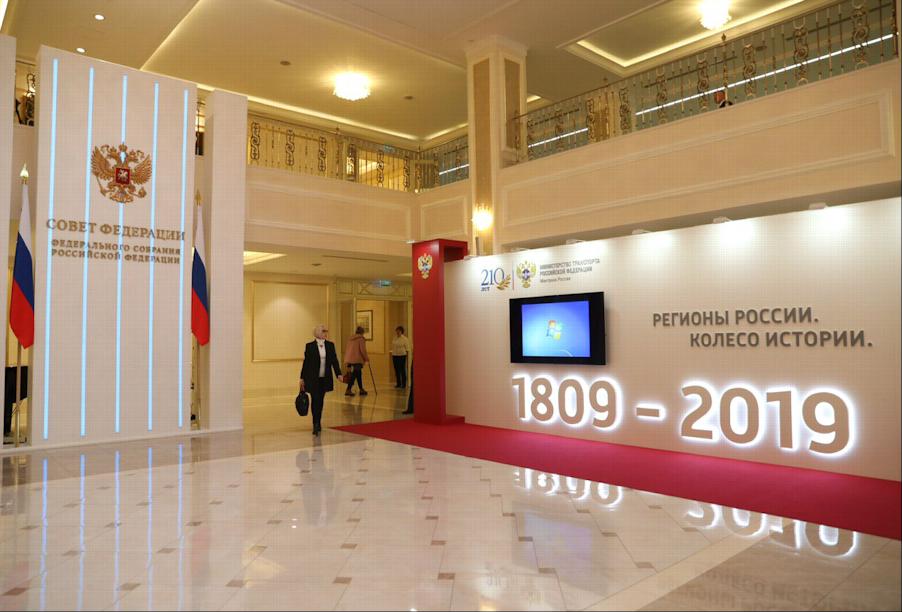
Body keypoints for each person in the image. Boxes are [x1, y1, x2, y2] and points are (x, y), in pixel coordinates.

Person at [300, 324, 343, 436]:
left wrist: (338, 373)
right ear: (318, 333)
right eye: (323, 331)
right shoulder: (309, 346)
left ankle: (318, 421)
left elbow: (334, 360)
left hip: (325, 378)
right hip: (313, 378)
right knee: (315, 400)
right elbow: (306, 363)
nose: (325, 333)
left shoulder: (330, 345)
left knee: (321, 401)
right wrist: (302, 378)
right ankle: (315, 423)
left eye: (326, 331)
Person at [343, 326, 369, 397]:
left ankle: (361, 389)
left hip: (350, 358)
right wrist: (366, 358)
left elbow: (348, 349)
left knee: (358, 374)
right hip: (357, 359)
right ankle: (349, 389)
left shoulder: (351, 338)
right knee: (355, 374)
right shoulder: (361, 339)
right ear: (362, 332)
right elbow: (363, 350)